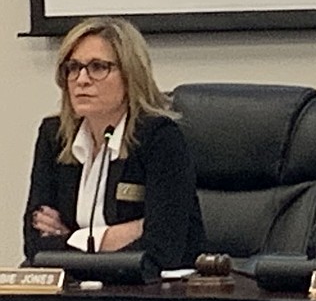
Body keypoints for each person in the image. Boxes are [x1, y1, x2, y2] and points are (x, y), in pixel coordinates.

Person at [23, 17, 206, 270]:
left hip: (153, 294)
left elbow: (162, 248)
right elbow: (35, 247)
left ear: (130, 75)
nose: (82, 79)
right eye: (73, 67)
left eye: (98, 67)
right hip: (76, 291)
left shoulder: (159, 138)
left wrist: (71, 240)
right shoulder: (55, 136)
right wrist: (126, 232)